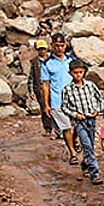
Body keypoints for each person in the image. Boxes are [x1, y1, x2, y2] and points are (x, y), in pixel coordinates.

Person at [60, 60, 104, 185]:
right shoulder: (67, 90)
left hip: (91, 120)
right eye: (75, 73)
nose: (78, 75)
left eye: (80, 72)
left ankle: (85, 164)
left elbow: (100, 100)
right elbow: (64, 107)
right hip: (79, 122)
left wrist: (98, 110)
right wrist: (75, 115)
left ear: (84, 72)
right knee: (88, 146)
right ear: (70, 73)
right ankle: (94, 173)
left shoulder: (90, 86)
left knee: (89, 145)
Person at [40, 32, 80, 165]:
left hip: (74, 100)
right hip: (57, 101)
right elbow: (45, 85)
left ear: (65, 45)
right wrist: (46, 104)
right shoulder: (47, 64)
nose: (59, 48)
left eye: (62, 45)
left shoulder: (71, 60)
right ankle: (73, 153)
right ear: (52, 46)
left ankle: (74, 142)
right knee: (66, 127)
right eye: (56, 46)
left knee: (76, 127)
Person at [28, 39, 53, 137]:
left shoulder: (51, 60)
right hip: (40, 89)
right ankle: (48, 128)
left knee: (55, 108)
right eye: (40, 49)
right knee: (44, 109)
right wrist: (31, 91)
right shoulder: (34, 62)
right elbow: (31, 77)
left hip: (52, 87)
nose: (42, 51)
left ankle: (57, 128)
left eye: (43, 49)